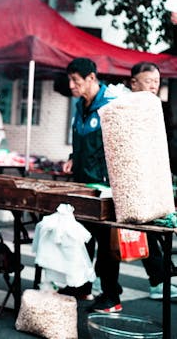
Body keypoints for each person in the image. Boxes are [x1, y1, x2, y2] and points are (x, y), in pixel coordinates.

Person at [61, 57, 122, 313]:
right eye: (70, 80)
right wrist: (73, 159)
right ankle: (82, 287)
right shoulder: (79, 105)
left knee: (106, 244)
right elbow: (80, 138)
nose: (72, 85)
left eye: (76, 80)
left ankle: (111, 296)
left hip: (105, 187)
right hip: (81, 184)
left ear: (91, 78)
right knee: (81, 238)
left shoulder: (112, 105)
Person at [129, 61, 177, 300]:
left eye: (156, 82)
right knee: (142, 231)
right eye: (148, 81)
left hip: (157, 178)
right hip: (130, 181)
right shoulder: (122, 108)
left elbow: (167, 143)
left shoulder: (162, 108)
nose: (153, 87)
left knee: (156, 230)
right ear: (133, 82)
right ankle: (159, 278)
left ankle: (161, 278)